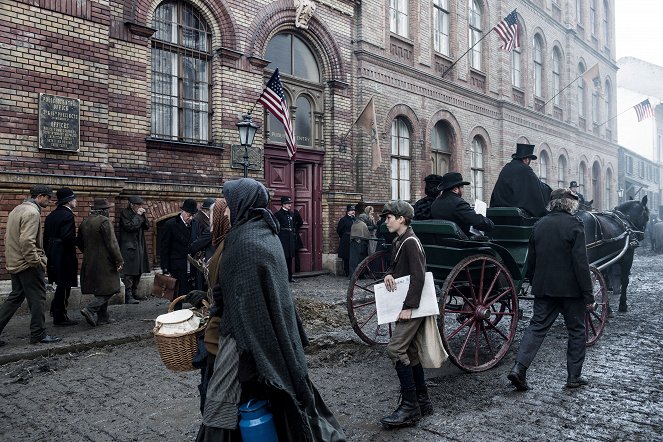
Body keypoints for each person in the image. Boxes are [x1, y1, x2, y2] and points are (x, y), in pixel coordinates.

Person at [197, 178, 346, 441]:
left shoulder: (246, 241)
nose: (227, 212)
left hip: (245, 337)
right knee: (263, 397)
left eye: (230, 205)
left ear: (242, 204)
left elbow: (249, 302)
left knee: (228, 399)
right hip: (263, 333)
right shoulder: (262, 231)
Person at [508, 188, 595, 391]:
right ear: (570, 204)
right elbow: (581, 264)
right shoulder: (575, 225)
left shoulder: (539, 225)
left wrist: (533, 280)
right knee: (577, 330)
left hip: (544, 288)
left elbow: (531, 260)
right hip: (571, 291)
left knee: (536, 327)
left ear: (553, 204)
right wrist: (588, 295)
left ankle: (518, 368)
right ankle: (574, 376)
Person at [379, 200, 432, 429]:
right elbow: (395, 265)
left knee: (395, 349)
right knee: (409, 350)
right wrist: (389, 273)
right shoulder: (399, 240)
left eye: (389, 217)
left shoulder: (411, 241)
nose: (385, 220)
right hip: (408, 304)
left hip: (414, 306)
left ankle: (410, 408)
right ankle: (422, 401)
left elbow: (419, 276)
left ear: (401, 219)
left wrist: (409, 307)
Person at [0, 185, 61, 346]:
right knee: (37, 298)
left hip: (15, 262)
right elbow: (27, 241)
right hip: (27, 265)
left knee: (15, 297)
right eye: (48, 198)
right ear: (40, 196)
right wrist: (37, 262)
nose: (50, 201)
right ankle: (38, 334)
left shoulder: (17, 209)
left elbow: (8, 236)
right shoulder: (32, 212)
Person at [78, 198, 124, 327]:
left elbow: (80, 242)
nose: (109, 212)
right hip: (105, 261)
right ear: (103, 211)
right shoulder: (104, 222)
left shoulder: (85, 222)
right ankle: (90, 309)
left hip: (90, 261)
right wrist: (119, 260)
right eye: (107, 209)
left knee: (101, 288)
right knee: (111, 287)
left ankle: (103, 317)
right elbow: (112, 243)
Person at [43, 187, 79, 326]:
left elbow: (46, 237)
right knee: (65, 286)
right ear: (68, 201)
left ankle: (55, 309)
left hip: (53, 254)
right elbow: (67, 237)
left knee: (60, 284)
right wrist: (79, 241)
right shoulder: (68, 215)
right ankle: (60, 316)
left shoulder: (51, 215)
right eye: (74, 199)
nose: (76, 201)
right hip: (64, 255)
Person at [490, 143, 549, 217]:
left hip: (500, 215)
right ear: (526, 159)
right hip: (517, 217)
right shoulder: (525, 169)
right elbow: (536, 189)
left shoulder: (506, 167)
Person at [160, 198, 199, 309]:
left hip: (191, 264)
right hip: (176, 265)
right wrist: (165, 268)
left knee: (190, 290)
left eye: (193, 215)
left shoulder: (195, 224)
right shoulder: (170, 224)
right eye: (189, 215)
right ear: (183, 212)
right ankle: (176, 312)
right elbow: (164, 248)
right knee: (177, 292)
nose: (190, 218)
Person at [430, 172, 494, 238]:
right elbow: (478, 221)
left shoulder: (435, 203)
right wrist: (490, 223)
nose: (463, 190)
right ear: (455, 189)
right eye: (462, 187)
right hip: (461, 245)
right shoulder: (458, 204)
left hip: (442, 243)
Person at [119, 195, 150, 305]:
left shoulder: (140, 214)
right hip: (129, 246)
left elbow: (147, 226)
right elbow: (130, 227)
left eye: (141, 205)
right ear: (132, 205)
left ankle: (134, 292)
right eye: (138, 205)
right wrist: (138, 216)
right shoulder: (125, 213)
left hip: (139, 246)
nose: (140, 207)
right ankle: (128, 296)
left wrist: (143, 215)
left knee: (139, 270)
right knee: (129, 272)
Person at [273, 196, 303, 282]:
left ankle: (289, 277)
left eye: (290, 203)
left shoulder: (292, 214)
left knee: (290, 259)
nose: (289, 205)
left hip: (290, 238)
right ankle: (282, 277)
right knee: (283, 258)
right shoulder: (278, 214)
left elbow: (295, 225)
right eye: (287, 203)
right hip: (283, 238)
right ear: (283, 204)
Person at [190, 197, 216, 290]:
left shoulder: (209, 220)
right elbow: (195, 239)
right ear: (207, 210)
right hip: (201, 254)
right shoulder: (198, 219)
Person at [336, 204, 355, 276]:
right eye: (351, 210)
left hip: (353, 239)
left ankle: (352, 271)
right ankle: (347, 272)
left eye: (353, 210)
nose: (353, 212)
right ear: (348, 212)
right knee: (346, 257)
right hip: (346, 240)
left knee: (353, 256)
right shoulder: (343, 220)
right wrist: (344, 236)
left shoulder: (355, 220)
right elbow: (339, 230)